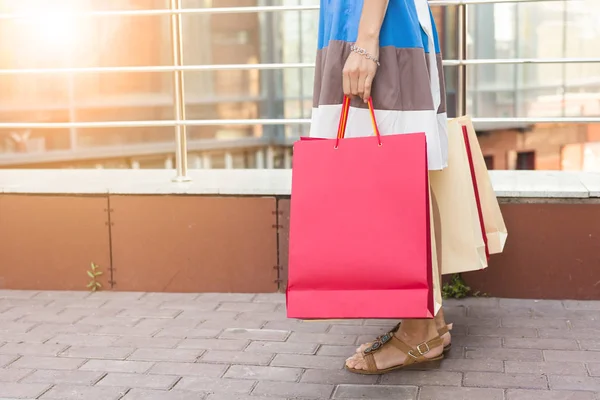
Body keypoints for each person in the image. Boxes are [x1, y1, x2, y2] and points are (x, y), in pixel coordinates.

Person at [309, 0, 452, 374]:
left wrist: (366, 41)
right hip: (371, 27)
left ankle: (418, 331)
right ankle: (428, 322)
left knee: (395, 177)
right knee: (408, 173)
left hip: (374, 29)